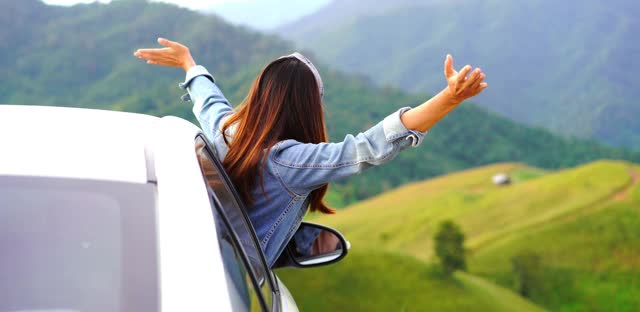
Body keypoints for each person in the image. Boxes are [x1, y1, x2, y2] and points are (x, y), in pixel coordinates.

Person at [134, 38, 487, 267]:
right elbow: (368, 148)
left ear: (260, 94)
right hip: (234, 285)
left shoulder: (229, 133)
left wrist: (189, 64)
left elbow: (210, 103)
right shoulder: (288, 161)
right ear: (307, 108)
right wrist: (449, 98)